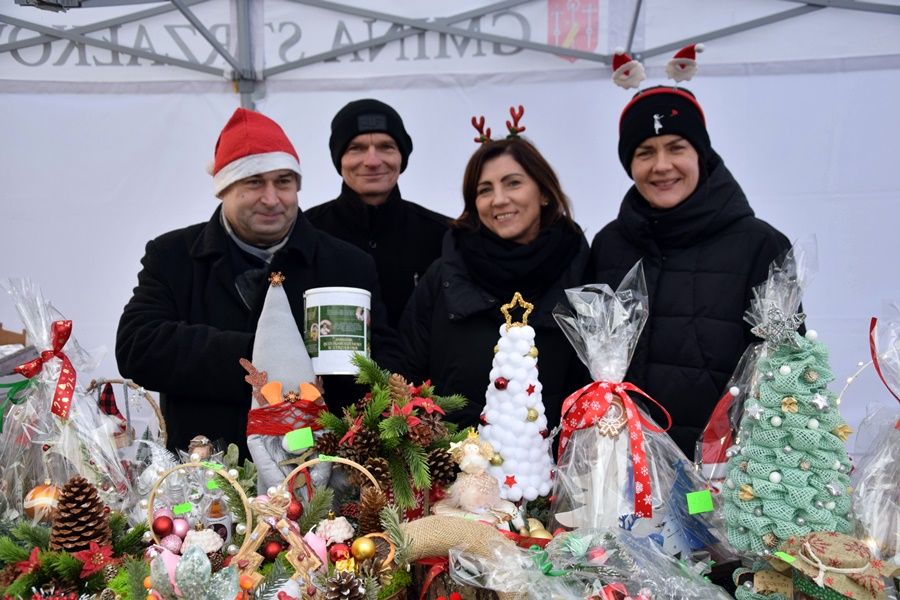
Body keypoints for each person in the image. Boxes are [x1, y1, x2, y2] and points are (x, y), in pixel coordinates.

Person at [116, 107, 402, 457]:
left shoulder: (346, 263)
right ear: (223, 188)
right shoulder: (174, 255)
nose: (271, 198)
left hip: (318, 470)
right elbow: (137, 347)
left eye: (283, 182)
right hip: (207, 471)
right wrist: (269, 355)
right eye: (254, 182)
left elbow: (388, 359)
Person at [590, 85, 793, 455]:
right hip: (624, 463)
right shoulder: (609, 245)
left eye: (676, 147)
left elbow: (786, 371)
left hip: (725, 470)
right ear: (630, 165)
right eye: (645, 152)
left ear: (700, 153)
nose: (662, 165)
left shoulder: (759, 245)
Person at [401, 130, 590, 432]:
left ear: (543, 193)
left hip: (555, 457)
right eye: (485, 190)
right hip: (454, 456)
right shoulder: (443, 275)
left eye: (513, 183)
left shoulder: (582, 271)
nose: (499, 200)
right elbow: (406, 372)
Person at [305, 99, 450, 328]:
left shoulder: (443, 236)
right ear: (339, 158)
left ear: (402, 156)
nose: (372, 161)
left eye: (386, 147)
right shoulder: (307, 233)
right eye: (356, 148)